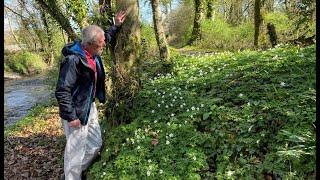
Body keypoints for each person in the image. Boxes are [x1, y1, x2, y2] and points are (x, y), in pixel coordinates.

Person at [55, 11, 126, 180]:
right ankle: (72, 177)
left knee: (95, 144)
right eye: (100, 45)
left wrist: (115, 25)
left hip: (89, 105)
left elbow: (105, 37)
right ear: (89, 45)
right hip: (75, 111)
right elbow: (62, 90)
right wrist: (72, 117)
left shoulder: (93, 49)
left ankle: (76, 173)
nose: (104, 46)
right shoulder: (73, 61)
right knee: (75, 151)